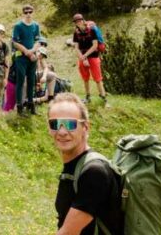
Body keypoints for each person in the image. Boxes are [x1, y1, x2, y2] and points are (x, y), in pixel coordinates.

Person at [50, 93, 124, 235]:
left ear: (86, 127)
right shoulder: (75, 166)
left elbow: (68, 233)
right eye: (55, 124)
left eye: (71, 124)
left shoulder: (94, 172)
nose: (62, 131)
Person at [12, 4, 42, 116]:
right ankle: (19, 107)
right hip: (21, 57)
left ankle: (31, 105)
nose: (28, 14)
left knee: (31, 82)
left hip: (32, 57)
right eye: (26, 12)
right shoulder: (18, 26)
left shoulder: (36, 25)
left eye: (30, 12)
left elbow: (38, 41)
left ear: (33, 12)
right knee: (20, 82)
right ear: (23, 13)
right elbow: (15, 42)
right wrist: (28, 52)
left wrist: (33, 51)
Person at [72, 14, 107, 105]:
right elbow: (76, 47)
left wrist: (85, 55)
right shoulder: (76, 32)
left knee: (97, 78)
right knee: (85, 78)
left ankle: (103, 98)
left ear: (83, 20)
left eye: (79, 20)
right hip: (82, 58)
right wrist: (82, 58)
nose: (78, 22)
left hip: (93, 56)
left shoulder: (92, 30)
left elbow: (95, 45)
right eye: (76, 21)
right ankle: (88, 97)